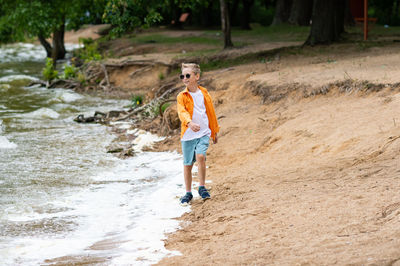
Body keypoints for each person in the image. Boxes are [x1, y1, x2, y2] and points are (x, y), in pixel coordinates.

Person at [176, 63, 220, 205]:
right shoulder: (181, 96)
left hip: (204, 132)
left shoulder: (204, 93)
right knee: (188, 164)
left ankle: (201, 187)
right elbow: (182, 112)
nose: (185, 78)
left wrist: (214, 131)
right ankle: (188, 193)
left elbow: (210, 112)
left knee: (200, 156)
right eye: (182, 76)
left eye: (188, 75)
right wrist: (189, 123)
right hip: (188, 134)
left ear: (197, 76)